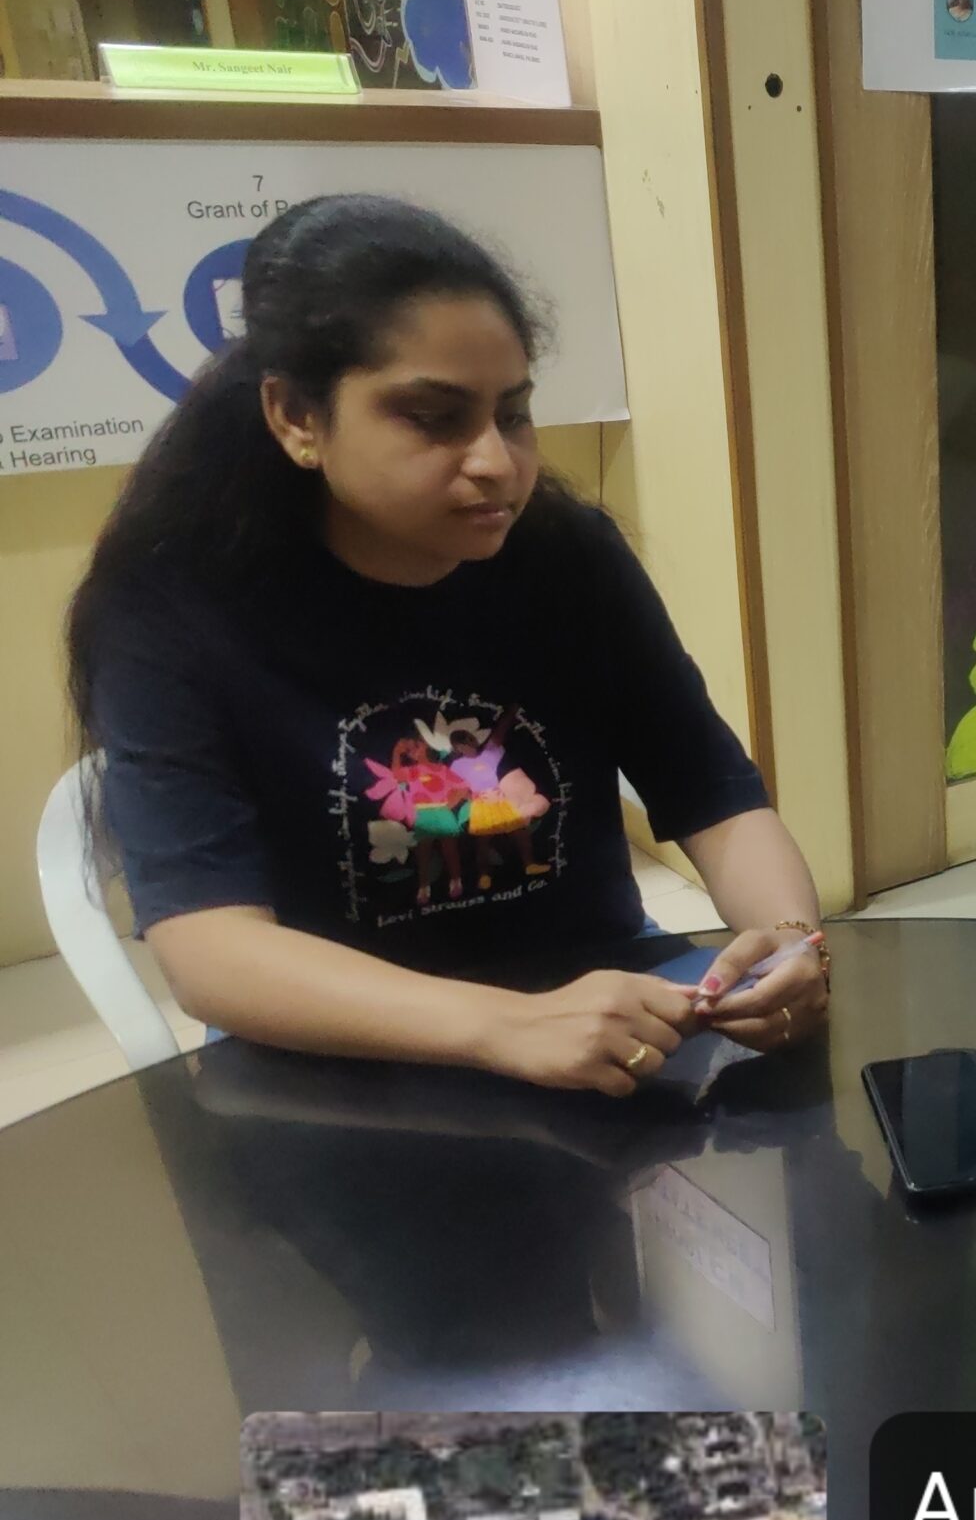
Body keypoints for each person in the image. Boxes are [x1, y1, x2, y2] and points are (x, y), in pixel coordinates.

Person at [67, 195, 830, 1098]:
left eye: (513, 415)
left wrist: (790, 944)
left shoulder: (568, 560)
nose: (496, 463)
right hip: (336, 1058)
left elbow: (716, 798)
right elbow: (210, 949)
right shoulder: (169, 609)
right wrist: (504, 1027)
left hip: (602, 1014)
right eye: (434, 418)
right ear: (296, 417)